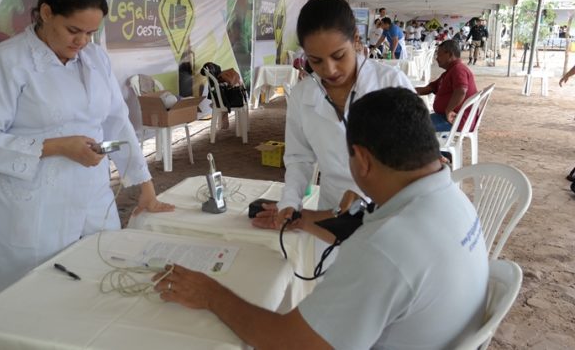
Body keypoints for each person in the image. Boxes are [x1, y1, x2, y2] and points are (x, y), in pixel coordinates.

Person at [153, 87, 489, 349]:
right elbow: (363, 226)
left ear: (361, 160)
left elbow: (288, 344)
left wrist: (211, 294)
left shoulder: (384, 250)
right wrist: (299, 220)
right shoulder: (452, 200)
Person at [0, 0, 174, 299]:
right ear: (46, 13)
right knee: (30, 303)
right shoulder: (4, 62)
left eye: (91, 33)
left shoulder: (96, 59)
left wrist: (145, 188)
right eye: (74, 30)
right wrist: (57, 147)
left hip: (91, 199)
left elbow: (117, 122)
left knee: (96, 289)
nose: (82, 42)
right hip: (29, 208)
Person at [252, 0, 413, 231]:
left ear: (356, 40)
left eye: (339, 56)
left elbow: (416, 155)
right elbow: (299, 158)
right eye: (315, 61)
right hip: (331, 209)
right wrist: (290, 202)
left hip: (392, 211)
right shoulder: (302, 95)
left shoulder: (390, 83)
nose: (329, 69)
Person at [415, 40, 479, 132]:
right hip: (447, 117)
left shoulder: (458, 69)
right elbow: (430, 88)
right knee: (412, 121)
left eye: (439, 55)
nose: (436, 58)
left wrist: (448, 110)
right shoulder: (450, 71)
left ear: (450, 55)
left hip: (456, 120)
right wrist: (406, 92)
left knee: (412, 127)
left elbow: (461, 91)